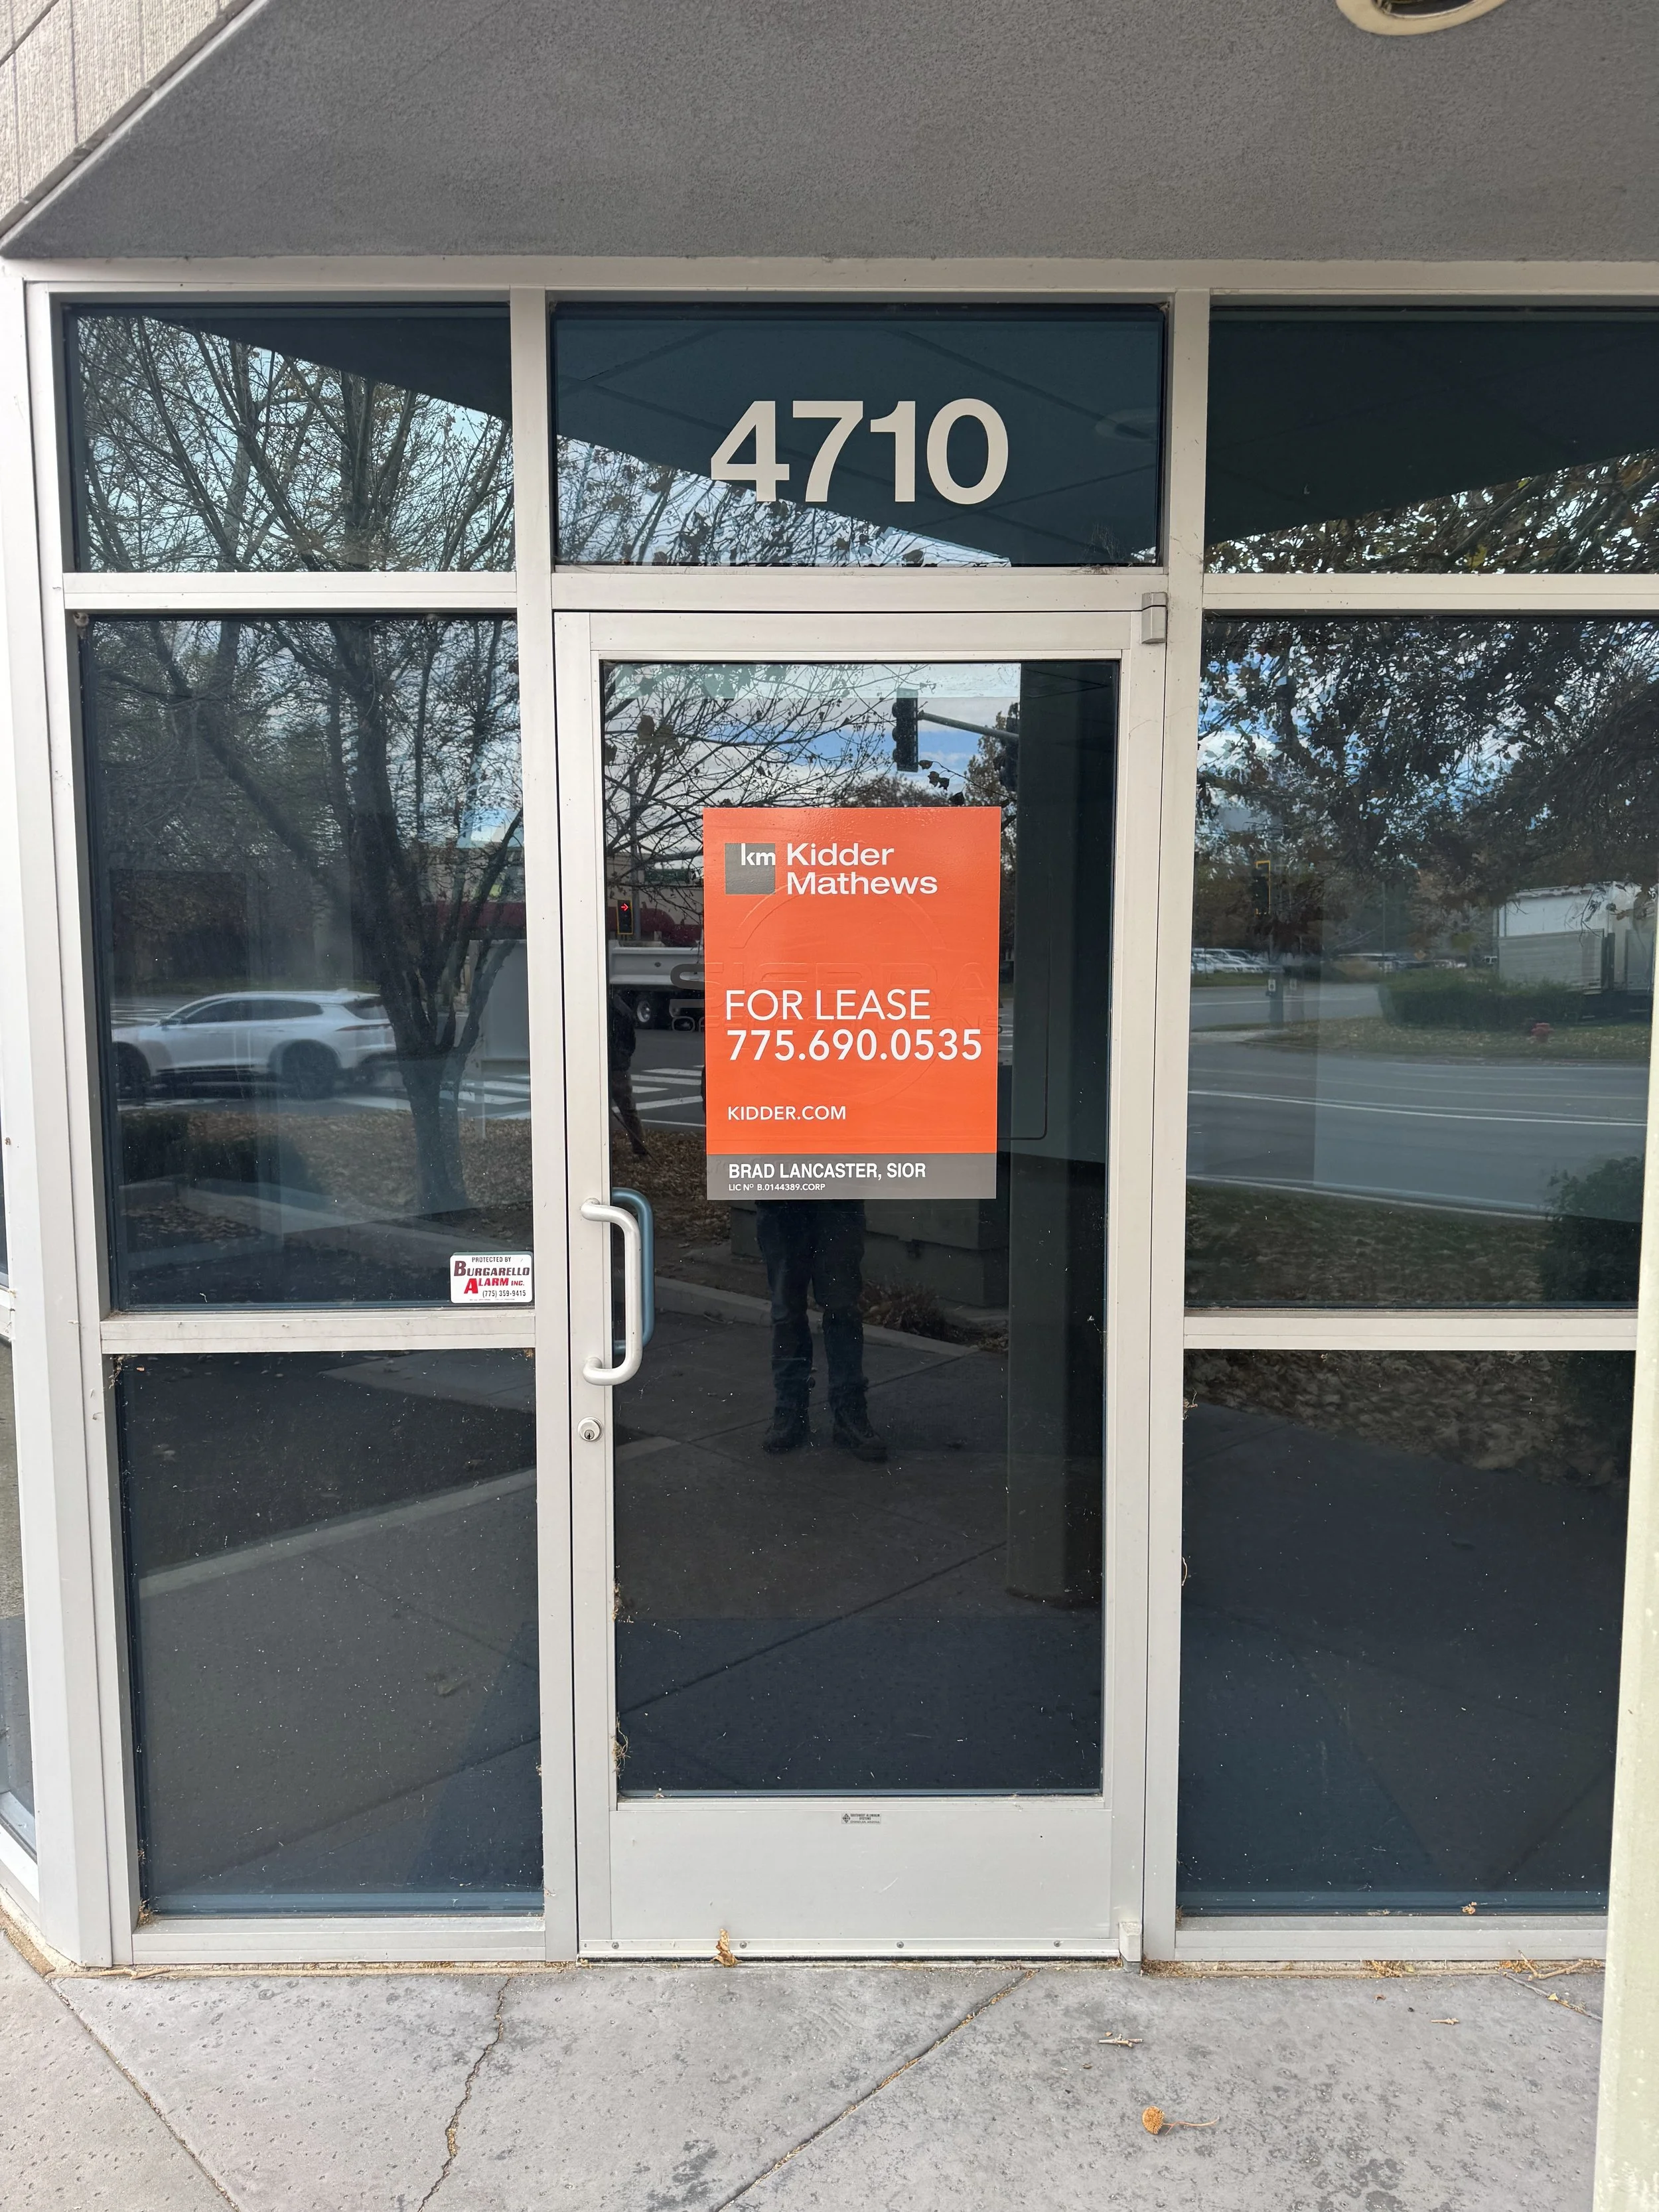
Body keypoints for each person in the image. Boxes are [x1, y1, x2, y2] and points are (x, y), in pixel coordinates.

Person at [755, 1199, 887, 1462]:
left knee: (842, 1308)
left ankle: (847, 1411)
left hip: (835, 1195)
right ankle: (791, 1409)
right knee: (788, 1310)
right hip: (780, 1196)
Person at [607, 987, 648, 1159]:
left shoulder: (605, 1009)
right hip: (620, 1066)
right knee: (628, 1110)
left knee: (600, 1109)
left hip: (612, 1065)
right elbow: (630, 1042)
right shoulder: (623, 1009)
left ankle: (606, 1147)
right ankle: (640, 1150)